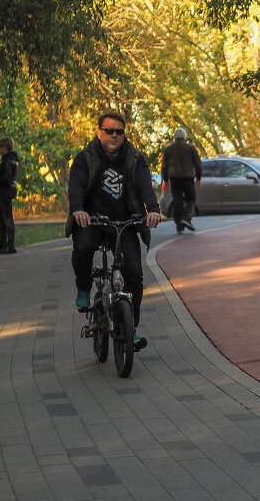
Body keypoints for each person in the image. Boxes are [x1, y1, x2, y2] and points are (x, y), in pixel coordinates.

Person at [67, 111, 162, 349]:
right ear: (100, 133)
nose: (114, 135)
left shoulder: (134, 157)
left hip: (124, 221)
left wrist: (153, 208)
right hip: (91, 219)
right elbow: (76, 185)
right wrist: (78, 209)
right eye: (109, 130)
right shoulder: (85, 157)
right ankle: (83, 286)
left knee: (134, 272)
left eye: (119, 131)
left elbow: (144, 185)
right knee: (84, 247)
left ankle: (131, 329)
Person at [160, 127, 202, 233]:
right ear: (184, 136)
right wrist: (198, 177)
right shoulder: (191, 148)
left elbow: (164, 166)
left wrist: (165, 180)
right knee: (191, 199)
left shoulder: (169, 149)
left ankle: (179, 226)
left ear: (174, 136)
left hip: (174, 178)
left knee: (177, 201)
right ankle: (186, 218)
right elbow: (198, 164)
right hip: (188, 178)